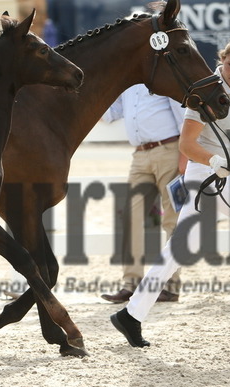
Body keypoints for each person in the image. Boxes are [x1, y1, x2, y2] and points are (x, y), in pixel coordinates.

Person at [111, 37, 230, 347]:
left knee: (177, 250)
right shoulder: (205, 91)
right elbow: (187, 144)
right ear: (222, 58)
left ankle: (130, 316)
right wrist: (213, 161)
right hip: (207, 175)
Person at [100, 84, 185, 304]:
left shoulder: (162, 77)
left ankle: (171, 286)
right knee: (130, 217)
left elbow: (181, 115)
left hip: (170, 151)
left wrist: (184, 155)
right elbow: (111, 113)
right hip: (140, 156)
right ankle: (131, 284)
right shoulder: (128, 84)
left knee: (172, 219)